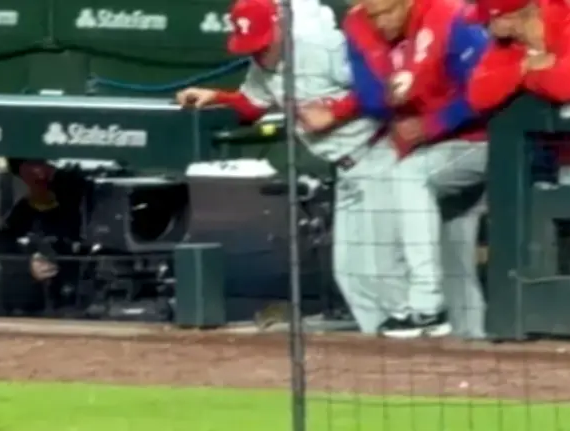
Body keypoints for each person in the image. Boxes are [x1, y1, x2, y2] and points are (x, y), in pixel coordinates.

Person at [176, 0, 402, 334]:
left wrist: (335, 112)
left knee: (382, 268)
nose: (259, 52)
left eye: (264, 42)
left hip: (379, 153)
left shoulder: (322, 47)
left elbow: (381, 87)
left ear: (280, 26)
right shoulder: (263, 62)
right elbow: (254, 104)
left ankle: (413, 344)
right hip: (349, 167)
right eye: (252, 46)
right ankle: (387, 347)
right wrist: (217, 96)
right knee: (352, 274)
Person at [339, 0, 490, 338]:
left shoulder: (451, 17)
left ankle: (425, 305)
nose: (379, 22)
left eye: (387, 11)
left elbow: (486, 90)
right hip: (431, 152)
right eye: (372, 13)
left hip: (481, 141)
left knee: (410, 176)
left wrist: (433, 123)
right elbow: (368, 95)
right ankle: (470, 339)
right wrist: (388, 97)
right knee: (452, 253)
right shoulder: (359, 24)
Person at [467, 0, 570, 186]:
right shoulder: (507, 44)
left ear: (510, 18)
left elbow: (564, 87)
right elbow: (477, 96)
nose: (484, 27)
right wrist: (525, 67)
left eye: (489, 21)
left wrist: (518, 78)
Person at [0, 159, 85, 316]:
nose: (40, 173)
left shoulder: (76, 213)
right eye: (32, 165)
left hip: (70, 307)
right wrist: (27, 266)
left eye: (44, 165)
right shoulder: (16, 215)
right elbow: (1, 252)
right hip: (19, 310)